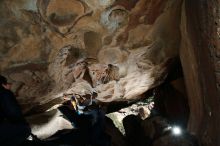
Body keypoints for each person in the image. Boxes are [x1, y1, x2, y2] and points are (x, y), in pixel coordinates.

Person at [0, 75, 32, 146]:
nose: (10, 86)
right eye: (7, 83)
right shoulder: (4, 93)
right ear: (3, 84)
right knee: (25, 130)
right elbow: (13, 112)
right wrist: (24, 125)